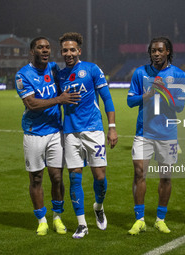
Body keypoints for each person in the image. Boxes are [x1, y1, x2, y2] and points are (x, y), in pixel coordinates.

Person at [15, 36, 81, 236]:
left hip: (55, 131)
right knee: (36, 178)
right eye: (40, 47)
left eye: (47, 48)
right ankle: (41, 219)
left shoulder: (53, 69)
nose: (45, 50)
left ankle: (57, 217)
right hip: (34, 133)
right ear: (32, 51)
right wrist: (60, 99)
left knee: (57, 177)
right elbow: (32, 104)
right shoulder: (22, 75)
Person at [58, 32, 118, 239]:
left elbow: (107, 99)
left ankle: (98, 206)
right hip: (71, 133)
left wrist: (112, 127)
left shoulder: (91, 69)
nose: (68, 53)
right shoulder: (60, 75)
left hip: (93, 130)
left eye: (72, 49)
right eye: (65, 50)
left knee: (100, 177)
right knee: (74, 177)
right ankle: (81, 224)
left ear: (79, 51)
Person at [127, 37, 185, 235]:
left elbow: (180, 106)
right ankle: (139, 219)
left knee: (166, 177)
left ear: (168, 51)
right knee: (139, 174)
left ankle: (160, 219)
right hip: (143, 132)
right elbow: (130, 101)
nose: (156, 54)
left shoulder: (178, 74)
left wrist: (165, 93)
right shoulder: (140, 73)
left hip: (167, 134)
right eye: (153, 50)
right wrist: (148, 94)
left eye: (160, 50)